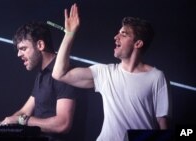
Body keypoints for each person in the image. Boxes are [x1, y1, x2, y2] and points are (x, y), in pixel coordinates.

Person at [52, 3, 170, 141]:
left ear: (138, 43)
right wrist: (69, 33)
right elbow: (59, 73)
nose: (116, 37)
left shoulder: (156, 77)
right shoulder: (105, 73)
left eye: (123, 34)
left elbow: (163, 125)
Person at [0, 20, 79, 141]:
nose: (19, 54)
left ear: (40, 45)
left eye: (23, 48)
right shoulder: (42, 74)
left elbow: (63, 124)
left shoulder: (63, 73)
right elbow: (25, 111)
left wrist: (21, 121)